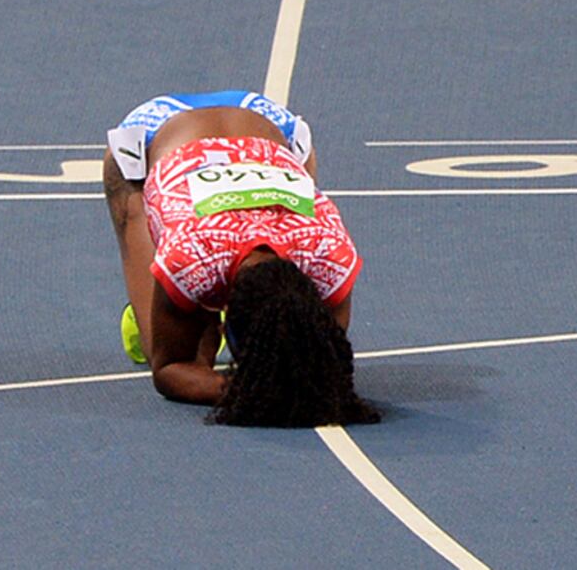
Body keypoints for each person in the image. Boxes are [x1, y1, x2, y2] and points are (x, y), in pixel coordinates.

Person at [101, 90, 375, 426]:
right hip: (152, 131)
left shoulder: (329, 259)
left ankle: (184, 310)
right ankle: (172, 306)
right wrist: (259, 390)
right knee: (162, 340)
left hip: (273, 125)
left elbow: (322, 356)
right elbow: (170, 368)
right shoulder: (191, 259)